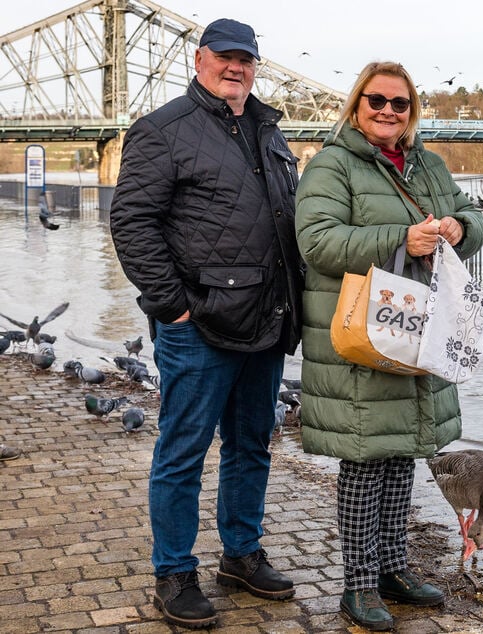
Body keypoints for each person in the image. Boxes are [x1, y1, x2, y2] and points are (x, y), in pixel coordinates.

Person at [110, 17, 303, 630]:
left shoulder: (270, 130)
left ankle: (241, 555)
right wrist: (174, 306)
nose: (235, 67)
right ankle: (174, 572)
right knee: (182, 452)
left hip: (267, 322)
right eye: (224, 57)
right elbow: (132, 224)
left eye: (245, 58)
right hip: (199, 326)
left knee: (252, 447)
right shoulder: (162, 130)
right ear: (199, 60)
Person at [295, 61, 483, 631]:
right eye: (376, 100)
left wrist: (457, 229)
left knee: (402, 452)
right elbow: (318, 242)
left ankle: (393, 569)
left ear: (412, 112)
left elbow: (471, 217)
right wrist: (398, 238)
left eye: (399, 103)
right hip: (361, 336)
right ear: (357, 105)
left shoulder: (429, 164)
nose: (387, 111)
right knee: (364, 460)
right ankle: (358, 586)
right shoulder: (331, 165)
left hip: (416, 332)